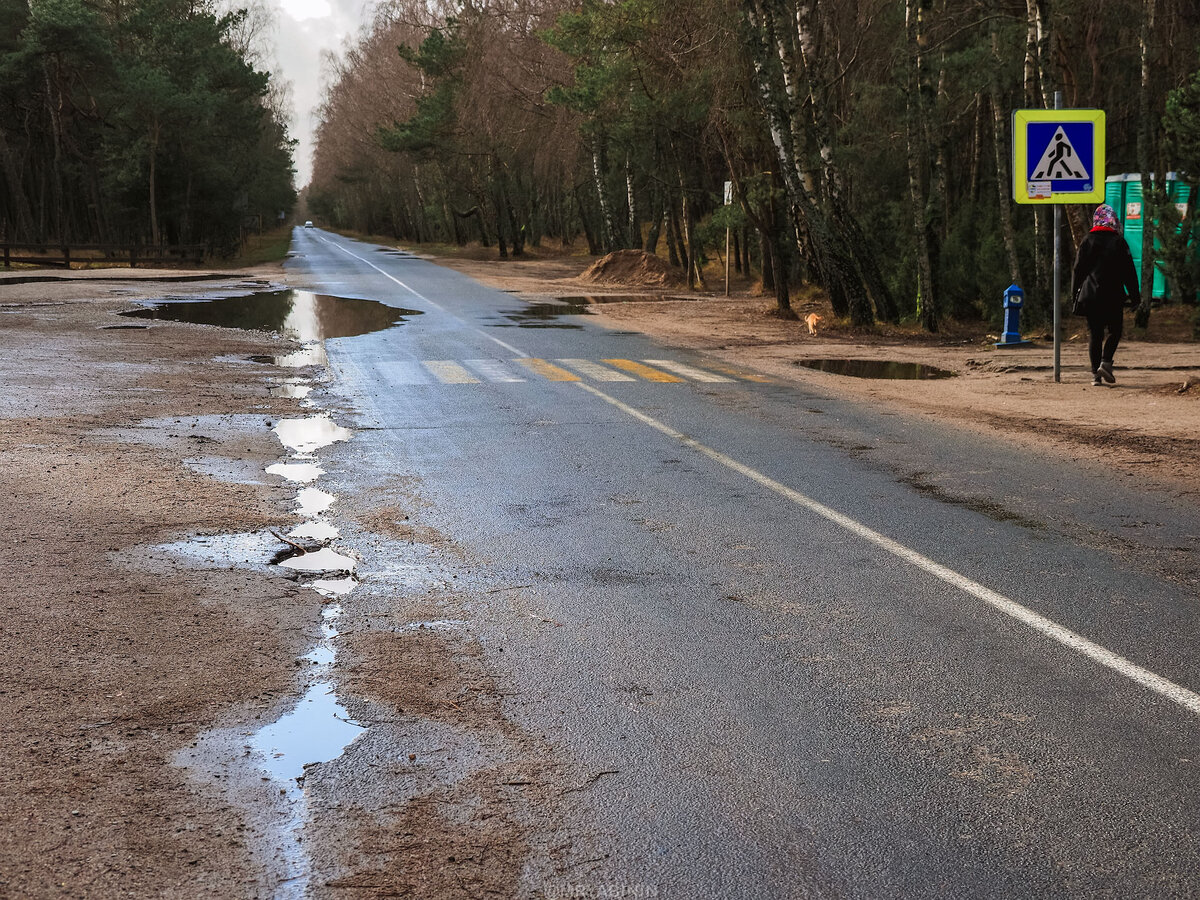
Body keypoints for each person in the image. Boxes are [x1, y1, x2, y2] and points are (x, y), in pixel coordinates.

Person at [1071, 204, 1140, 386]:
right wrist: (1135, 297)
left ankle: (1096, 375)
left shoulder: (1087, 241)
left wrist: (1074, 295)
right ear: (1113, 221)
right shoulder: (1119, 242)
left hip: (1091, 295)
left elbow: (1078, 270)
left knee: (1095, 334)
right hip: (1113, 296)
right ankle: (1106, 361)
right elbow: (1129, 272)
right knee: (1115, 331)